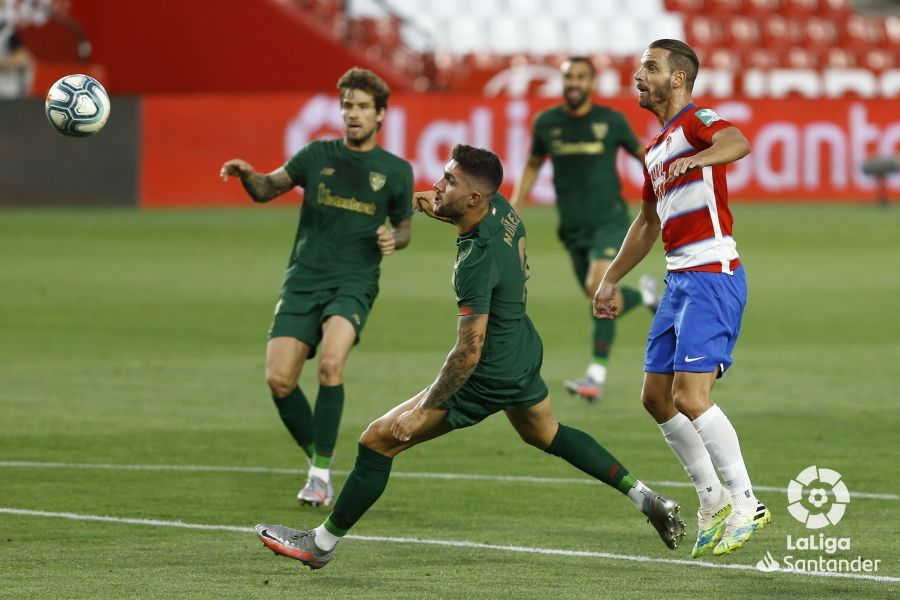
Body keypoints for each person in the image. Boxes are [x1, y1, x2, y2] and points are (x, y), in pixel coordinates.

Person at [254, 144, 686, 569]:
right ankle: (645, 496)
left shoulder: (476, 261)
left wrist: (424, 408)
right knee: (547, 434)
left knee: (377, 441)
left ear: (474, 198)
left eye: (449, 181)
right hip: (521, 349)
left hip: (486, 372)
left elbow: (467, 351)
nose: (438, 185)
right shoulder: (503, 212)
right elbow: (453, 210)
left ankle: (320, 544)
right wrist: (425, 202)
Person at [592, 39, 771, 558]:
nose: (638, 75)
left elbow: (738, 142)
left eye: (650, 67)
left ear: (677, 79)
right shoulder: (654, 149)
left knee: (692, 397)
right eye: (638, 67)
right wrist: (610, 278)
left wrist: (698, 162)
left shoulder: (696, 122)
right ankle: (710, 497)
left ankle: (746, 500)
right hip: (679, 281)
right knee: (655, 397)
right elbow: (648, 223)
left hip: (713, 272)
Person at [220, 68, 413, 508]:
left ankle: (320, 475)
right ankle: (318, 454)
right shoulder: (315, 155)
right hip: (304, 279)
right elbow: (268, 189)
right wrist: (250, 174)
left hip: (354, 282)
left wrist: (393, 239)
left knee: (330, 365)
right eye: (347, 105)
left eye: (363, 106)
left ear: (381, 114)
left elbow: (404, 228)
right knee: (279, 380)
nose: (353, 114)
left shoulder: (395, 171)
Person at [511, 56, 660, 404]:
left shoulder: (610, 121)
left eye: (580, 77)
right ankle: (648, 297)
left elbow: (644, 155)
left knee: (600, 288)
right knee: (602, 299)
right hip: (572, 228)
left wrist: (664, 186)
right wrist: (517, 201)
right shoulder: (547, 123)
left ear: (592, 82)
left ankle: (595, 376)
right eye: (568, 78)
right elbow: (533, 163)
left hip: (610, 222)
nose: (573, 83)